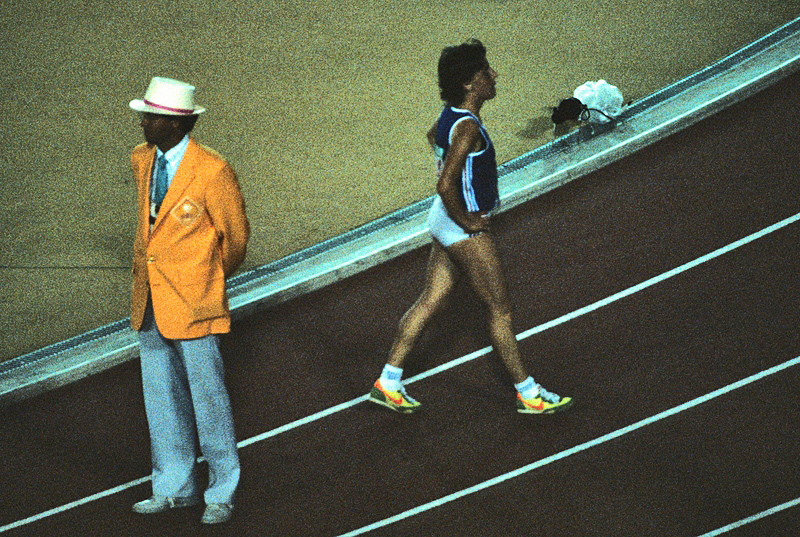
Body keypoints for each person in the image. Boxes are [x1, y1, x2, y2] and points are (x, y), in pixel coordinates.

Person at [369, 40, 572, 415]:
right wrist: (470, 222)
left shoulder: (450, 117)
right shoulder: (467, 129)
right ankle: (528, 393)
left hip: (442, 220)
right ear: (468, 83)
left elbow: (433, 139)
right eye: (485, 72)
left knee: (431, 300)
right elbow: (445, 185)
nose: (493, 76)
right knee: (500, 309)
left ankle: (388, 381)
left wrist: (454, 209)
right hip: (461, 226)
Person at [127, 77, 250, 524]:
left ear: (177, 123)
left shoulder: (212, 171)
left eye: (151, 116)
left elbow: (235, 238)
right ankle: (173, 487)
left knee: (208, 399)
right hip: (150, 302)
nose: (143, 122)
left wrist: (206, 279)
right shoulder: (142, 160)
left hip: (195, 303)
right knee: (161, 398)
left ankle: (222, 491)